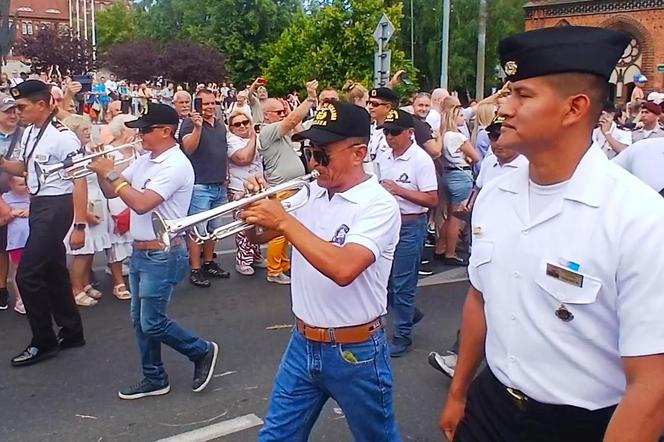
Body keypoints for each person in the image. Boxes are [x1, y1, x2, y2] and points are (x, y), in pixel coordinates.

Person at [439, 26, 664, 442]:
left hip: (581, 425)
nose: (504, 108)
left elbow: (652, 388)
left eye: (522, 95)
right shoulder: (496, 193)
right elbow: (480, 297)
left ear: (574, 108)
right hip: (491, 407)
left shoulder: (639, 219)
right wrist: (459, 392)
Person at [241, 101, 402, 441]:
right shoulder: (309, 193)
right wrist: (251, 209)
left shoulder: (379, 205)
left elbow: (344, 268)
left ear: (358, 153)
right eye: (309, 151)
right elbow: (259, 235)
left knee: (378, 437)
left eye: (323, 154)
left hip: (354, 350)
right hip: (302, 342)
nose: (313, 163)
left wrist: (283, 220)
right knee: (276, 437)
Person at [88, 103, 219, 400]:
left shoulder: (175, 165)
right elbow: (112, 190)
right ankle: (154, 377)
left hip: (163, 252)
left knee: (152, 321)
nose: (140, 135)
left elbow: (142, 202)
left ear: (166, 131)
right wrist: (101, 169)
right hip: (141, 250)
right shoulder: (147, 159)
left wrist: (112, 175)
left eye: (146, 130)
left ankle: (201, 350)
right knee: (139, 320)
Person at [1, 80, 86, 366]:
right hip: (39, 204)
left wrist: (80, 225)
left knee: (27, 273)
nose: (19, 113)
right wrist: (2, 162)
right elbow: (24, 168)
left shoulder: (63, 137)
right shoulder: (30, 133)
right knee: (52, 270)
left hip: (56, 206)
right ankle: (72, 330)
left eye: (23, 107)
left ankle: (43, 341)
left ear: (41, 104)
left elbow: (80, 179)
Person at [374, 109, 438, 357]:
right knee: (385, 280)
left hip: (411, 224)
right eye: (386, 132)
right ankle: (408, 314)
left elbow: (432, 198)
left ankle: (402, 336)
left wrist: (400, 191)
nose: (389, 137)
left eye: (394, 132)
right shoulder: (384, 156)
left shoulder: (420, 160)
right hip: (388, 224)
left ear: (410, 133)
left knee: (402, 284)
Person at [259, 80, 318, 284]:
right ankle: (274, 271)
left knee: (287, 231)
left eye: (283, 111)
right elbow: (293, 121)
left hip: (292, 186)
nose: (283, 115)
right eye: (279, 112)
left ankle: (283, 264)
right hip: (282, 188)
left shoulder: (278, 132)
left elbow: (300, 131)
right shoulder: (267, 131)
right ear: (267, 115)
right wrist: (310, 98)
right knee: (279, 232)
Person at [180, 88, 231, 287]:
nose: (210, 107)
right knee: (197, 232)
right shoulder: (189, 123)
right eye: (205, 103)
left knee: (213, 230)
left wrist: (226, 175)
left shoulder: (220, 125)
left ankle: (209, 262)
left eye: (212, 103)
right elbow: (189, 148)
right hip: (200, 185)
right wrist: (198, 128)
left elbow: (223, 151)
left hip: (218, 184)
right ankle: (195, 269)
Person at [62, 114, 112, 307]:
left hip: (96, 200)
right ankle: (75, 289)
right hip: (83, 206)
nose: (89, 133)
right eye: (84, 130)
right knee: (82, 252)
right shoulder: (71, 158)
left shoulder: (85, 152)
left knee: (90, 251)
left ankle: (84, 283)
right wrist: (83, 214)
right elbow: (74, 187)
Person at [435, 105, 480, 265]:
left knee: (449, 215)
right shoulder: (458, 137)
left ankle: (440, 247)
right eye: (460, 115)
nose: (463, 118)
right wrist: (467, 158)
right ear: (454, 118)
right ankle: (450, 252)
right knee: (457, 217)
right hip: (461, 175)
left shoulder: (443, 136)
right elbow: (476, 157)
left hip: (447, 173)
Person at [226, 111, 265, 275]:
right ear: (231, 128)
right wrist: (254, 137)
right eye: (237, 124)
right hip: (239, 188)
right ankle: (243, 261)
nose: (242, 126)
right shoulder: (231, 141)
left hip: (257, 186)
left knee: (257, 223)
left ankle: (255, 256)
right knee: (243, 226)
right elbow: (243, 158)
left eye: (245, 123)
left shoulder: (253, 139)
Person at [105, 114, 138, 300]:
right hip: (116, 197)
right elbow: (113, 175)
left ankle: (134, 277)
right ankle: (118, 283)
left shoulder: (136, 148)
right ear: (122, 129)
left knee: (134, 239)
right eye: (131, 127)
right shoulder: (110, 150)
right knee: (117, 240)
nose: (135, 130)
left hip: (134, 195)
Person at [0, 93, 23, 311]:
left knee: (17, 246)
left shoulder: (25, 135)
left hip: (21, 199)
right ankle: (1, 289)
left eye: (15, 110)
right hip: (1, 199)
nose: (13, 115)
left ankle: (22, 292)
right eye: (7, 111)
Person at [2, 176, 29, 314]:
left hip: (34, 239)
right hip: (17, 241)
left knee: (36, 268)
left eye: (26, 183)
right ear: (10, 184)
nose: (25, 186)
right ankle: (20, 299)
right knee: (19, 270)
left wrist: (31, 212)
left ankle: (36, 297)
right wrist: (11, 214)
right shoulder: (5, 198)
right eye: (20, 184)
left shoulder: (33, 195)